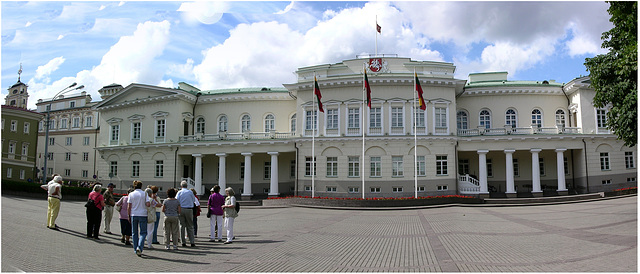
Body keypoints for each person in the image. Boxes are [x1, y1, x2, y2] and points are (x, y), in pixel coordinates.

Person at [127, 181, 151, 257]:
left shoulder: (131, 194)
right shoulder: (144, 194)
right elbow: (148, 204)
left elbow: (129, 206)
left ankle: (135, 248)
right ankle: (139, 247)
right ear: (141, 186)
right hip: (143, 214)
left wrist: (129, 215)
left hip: (134, 214)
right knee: (143, 232)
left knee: (134, 232)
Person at [176, 181, 196, 247]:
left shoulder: (179, 192)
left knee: (182, 226)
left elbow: (177, 200)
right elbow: (193, 200)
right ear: (187, 186)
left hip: (181, 209)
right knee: (190, 225)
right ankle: (192, 241)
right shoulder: (190, 192)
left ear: (181, 186)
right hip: (189, 209)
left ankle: (183, 242)